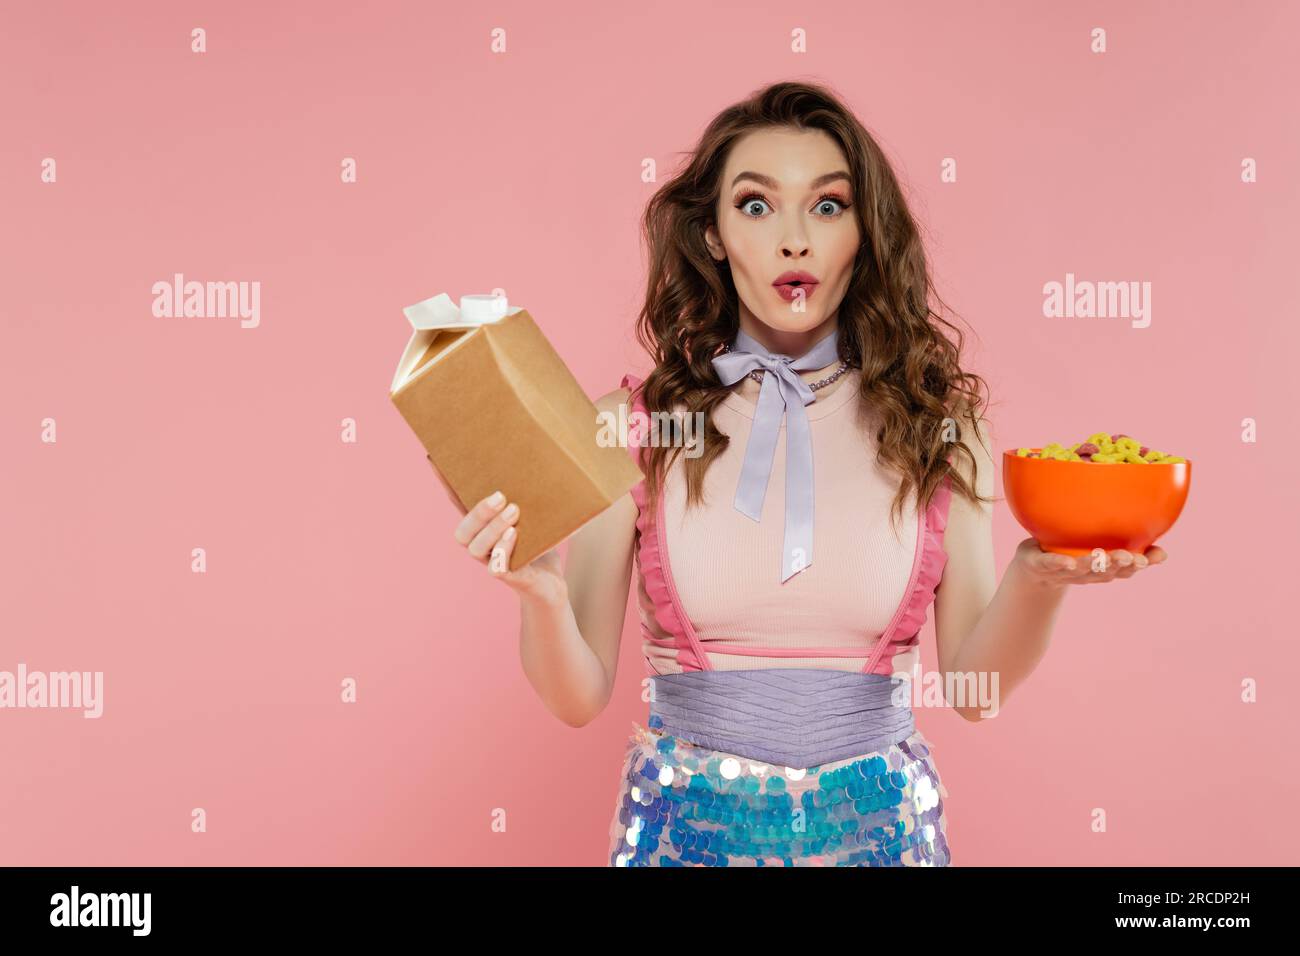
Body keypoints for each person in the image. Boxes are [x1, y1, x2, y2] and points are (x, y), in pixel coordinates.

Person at [448, 80, 1168, 866]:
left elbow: (972, 693)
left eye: (828, 206)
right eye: (756, 206)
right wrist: (540, 593)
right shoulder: (632, 426)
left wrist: (1038, 577)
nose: (795, 239)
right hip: (681, 843)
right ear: (714, 235)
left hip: (880, 841)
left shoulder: (941, 428)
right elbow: (577, 698)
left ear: (865, 231)